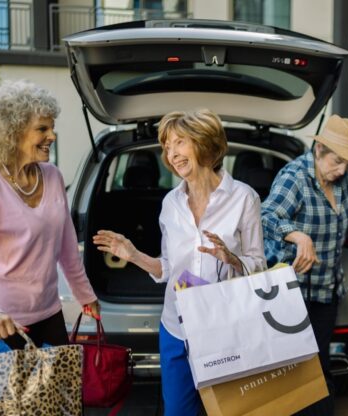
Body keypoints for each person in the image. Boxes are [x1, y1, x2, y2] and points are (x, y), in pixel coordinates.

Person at [92, 109, 266, 416]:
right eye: (167, 147)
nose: (172, 153)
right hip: (175, 328)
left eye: (179, 143)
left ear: (204, 143)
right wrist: (133, 254)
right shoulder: (170, 203)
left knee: (228, 411)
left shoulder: (244, 198)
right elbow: (168, 269)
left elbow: (259, 266)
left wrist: (232, 258)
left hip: (225, 328)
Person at [0, 80, 100, 352]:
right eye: (42, 129)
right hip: (2, 323)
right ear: (13, 133)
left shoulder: (53, 177)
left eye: (52, 128)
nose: (52, 136)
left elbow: (66, 248)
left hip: (49, 315)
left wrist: (86, 296)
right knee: (9, 398)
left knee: (58, 395)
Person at [261, 114, 348, 414]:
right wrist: (297, 236)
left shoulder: (339, 179)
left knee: (317, 373)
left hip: (325, 293)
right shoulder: (294, 177)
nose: (342, 170)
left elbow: (347, 217)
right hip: (291, 295)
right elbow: (265, 216)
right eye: (337, 161)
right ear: (318, 150)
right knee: (294, 377)